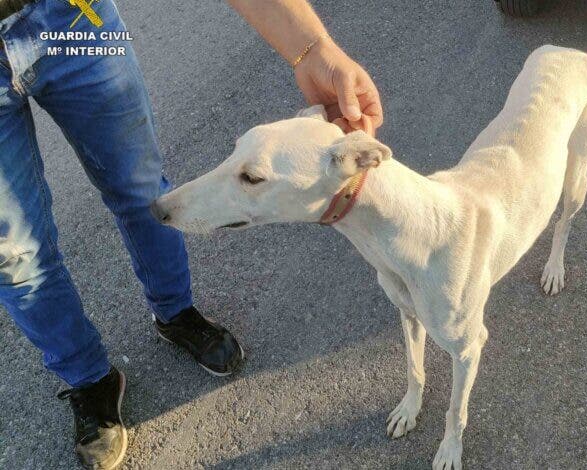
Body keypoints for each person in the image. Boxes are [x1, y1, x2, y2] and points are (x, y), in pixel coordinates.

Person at [0, 0, 383, 468]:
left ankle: (175, 313)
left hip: (71, 16)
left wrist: (312, 47)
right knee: (13, 255)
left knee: (145, 195)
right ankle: (89, 379)